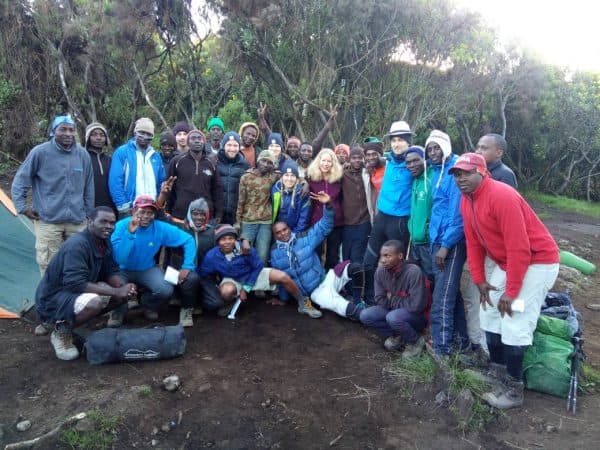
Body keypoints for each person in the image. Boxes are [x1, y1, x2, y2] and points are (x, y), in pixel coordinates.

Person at [451, 152, 559, 409]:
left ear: (482, 172)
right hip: (507, 263)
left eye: (467, 173)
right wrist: (479, 280)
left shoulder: (502, 196)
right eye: (457, 174)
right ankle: (497, 372)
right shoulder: (467, 200)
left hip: (537, 261)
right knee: (488, 311)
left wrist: (511, 292)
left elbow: (519, 248)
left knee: (513, 318)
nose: (461, 178)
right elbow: (473, 243)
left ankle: (513, 389)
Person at [34, 206, 137, 360]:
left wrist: (121, 286)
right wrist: (116, 291)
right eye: (103, 221)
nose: (109, 226)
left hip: (75, 291)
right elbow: (75, 283)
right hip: (54, 298)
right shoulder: (77, 245)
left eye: (112, 223)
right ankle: (61, 330)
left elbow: (110, 270)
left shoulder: (104, 241)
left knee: (122, 294)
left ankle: (75, 321)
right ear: (90, 221)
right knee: (95, 302)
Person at [12, 115, 94, 277]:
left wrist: (88, 214)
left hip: (77, 221)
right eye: (63, 129)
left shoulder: (82, 155)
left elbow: (89, 186)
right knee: (50, 266)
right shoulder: (40, 152)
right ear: (53, 131)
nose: (68, 134)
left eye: (71, 130)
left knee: (78, 263)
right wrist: (23, 208)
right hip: (48, 221)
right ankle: (50, 294)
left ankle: (72, 294)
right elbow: (20, 182)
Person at [463, 133, 518, 362]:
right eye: (477, 146)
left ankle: (488, 349)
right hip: (478, 247)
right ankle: (477, 342)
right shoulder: (471, 175)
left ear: (499, 152)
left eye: (484, 148)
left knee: (488, 299)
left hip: (494, 253)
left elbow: (507, 221)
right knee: (473, 295)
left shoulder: (504, 176)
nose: (479, 151)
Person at [271, 191, 367, 320]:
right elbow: (282, 280)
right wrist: (283, 299)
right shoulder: (275, 254)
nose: (283, 233)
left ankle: (358, 301)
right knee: (341, 306)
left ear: (289, 229)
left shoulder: (304, 238)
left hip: (326, 279)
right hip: (316, 292)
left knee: (354, 268)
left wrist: (328, 205)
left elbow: (324, 226)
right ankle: (366, 316)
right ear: (274, 235)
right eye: (278, 232)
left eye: (285, 229)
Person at [198, 224, 321, 318]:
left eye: (230, 238)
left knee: (283, 276)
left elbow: (258, 266)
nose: (227, 242)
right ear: (217, 242)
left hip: (253, 274)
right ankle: (230, 302)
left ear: (235, 239)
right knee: (226, 291)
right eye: (223, 239)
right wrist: (214, 289)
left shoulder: (245, 248)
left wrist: (246, 288)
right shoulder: (212, 256)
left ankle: (303, 302)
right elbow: (204, 273)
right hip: (233, 278)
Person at [109, 195, 197, 325]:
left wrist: (187, 266)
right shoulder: (120, 226)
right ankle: (118, 311)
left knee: (165, 290)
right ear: (133, 211)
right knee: (116, 286)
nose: (146, 216)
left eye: (150, 213)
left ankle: (148, 305)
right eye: (142, 211)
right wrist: (130, 234)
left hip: (146, 268)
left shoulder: (159, 227)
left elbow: (188, 239)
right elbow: (119, 258)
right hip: (121, 269)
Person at [426, 130, 469, 358]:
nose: (433, 152)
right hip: (437, 239)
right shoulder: (435, 171)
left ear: (446, 147)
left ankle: (442, 348)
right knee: (451, 293)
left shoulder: (455, 171)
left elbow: (457, 213)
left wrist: (446, 245)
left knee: (442, 297)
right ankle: (462, 341)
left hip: (451, 244)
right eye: (430, 149)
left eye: (437, 148)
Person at [362, 121, 413, 303]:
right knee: (369, 260)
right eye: (394, 140)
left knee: (395, 265)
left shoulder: (414, 162)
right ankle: (370, 299)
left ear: (408, 141)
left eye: (401, 140)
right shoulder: (388, 159)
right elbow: (372, 159)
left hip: (399, 221)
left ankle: (395, 303)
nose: (396, 144)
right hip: (381, 217)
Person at [360, 240, 428, 358]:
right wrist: (400, 300)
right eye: (382, 255)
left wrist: (392, 298)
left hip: (416, 317)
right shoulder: (380, 271)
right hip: (395, 311)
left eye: (387, 256)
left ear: (400, 256)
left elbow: (416, 306)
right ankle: (399, 336)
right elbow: (379, 298)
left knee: (393, 317)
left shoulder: (413, 272)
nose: (382, 260)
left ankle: (415, 341)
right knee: (365, 315)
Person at [108, 117, 165, 218]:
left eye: (148, 134)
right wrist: (123, 207)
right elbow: (115, 182)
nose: (144, 136)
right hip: (130, 209)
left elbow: (161, 182)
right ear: (135, 132)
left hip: (151, 209)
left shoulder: (156, 156)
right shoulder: (122, 152)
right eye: (141, 132)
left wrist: (158, 203)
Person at [166, 129, 223, 223]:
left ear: (204, 142)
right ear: (188, 142)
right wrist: (168, 211)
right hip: (181, 214)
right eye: (193, 138)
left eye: (199, 138)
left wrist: (218, 214)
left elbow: (217, 190)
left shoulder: (211, 163)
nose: (197, 141)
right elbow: (169, 188)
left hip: (204, 215)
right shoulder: (177, 161)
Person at [236, 149, 279, 264]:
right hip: (248, 220)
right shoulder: (246, 177)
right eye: (263, 161)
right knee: (245, 251)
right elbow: (241, 200)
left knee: (262, 255)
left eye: (269, 162)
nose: (265, 164)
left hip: (265, 222)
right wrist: (238, 222)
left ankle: (261, 274)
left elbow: (291, 176)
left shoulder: (274, 176)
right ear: (258, 161)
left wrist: (304, 183)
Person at [306, 148, 344, 270]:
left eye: (329, 161)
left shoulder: (338, 179)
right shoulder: (311, 178)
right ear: (318, 161)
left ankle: (331, 278)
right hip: (317, 221)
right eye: (323, 160)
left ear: (333, 163)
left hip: (336, 222)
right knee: (316, 253)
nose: (326, 164)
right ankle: (317, 278)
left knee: (333, 256)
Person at [405, 146, 434, 282]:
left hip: (428, 242)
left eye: (415, 160)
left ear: (425, 160)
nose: (411, 165)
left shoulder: (433, 179)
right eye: (408, 162)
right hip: (415, 241)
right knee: (418, 280)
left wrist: (428, 232)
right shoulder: (415, 179)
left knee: (432, 278)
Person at [341, 145, 374, 263]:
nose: (357, 160)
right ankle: (347, 275)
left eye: (360, 158)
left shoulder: (367, 173)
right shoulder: (343, 174)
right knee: (346, 255)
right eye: (354, 158)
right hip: (347, 222)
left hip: (364, 221)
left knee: (358, 255)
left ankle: (359, 274)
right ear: (349, 159)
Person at [217, 131, 251, 225]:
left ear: (239, 147)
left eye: (235, 145)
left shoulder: (245, 165)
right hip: (218, 214)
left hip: (236, 214)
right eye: (229, 145)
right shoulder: (214, 162)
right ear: (223, 146)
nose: (232, 149)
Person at [271, 160, 311, 233]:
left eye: (292, 175)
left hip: (295, 232)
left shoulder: (302, 192)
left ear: (297, 178)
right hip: (278, 230)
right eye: (286, 175)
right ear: (281, 177)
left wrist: (295, 233)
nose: (289, 179)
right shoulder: (275, 189)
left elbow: (304, 217)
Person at [85, 122, 115, 212]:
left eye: (102, 135)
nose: (98, 138)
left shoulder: (110, 160)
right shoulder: (83, 158)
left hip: (110, 207)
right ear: (88, 138)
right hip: (89, 208)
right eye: (94, 134)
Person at [363, 139, 386, 208]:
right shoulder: (369, 170)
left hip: (394, 207)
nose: (371, 157)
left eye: (374, 154)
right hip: (380, 206)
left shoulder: (388, 167)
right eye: (368, 155)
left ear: (380, 154)